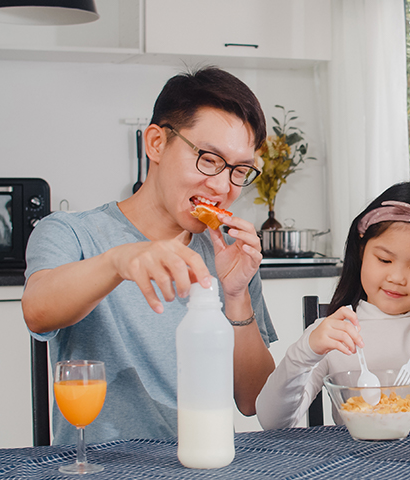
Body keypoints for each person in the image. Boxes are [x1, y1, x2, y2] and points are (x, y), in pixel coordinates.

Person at [22, 66, 277, 445]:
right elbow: (37, 311)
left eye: (239, 170)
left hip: (208, 462)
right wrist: (118, 261)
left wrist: (237, 296)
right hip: (104, 466)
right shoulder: (71, 232)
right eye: (208, 159)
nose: (223, 186)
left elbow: (254, 399)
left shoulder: (228, 253)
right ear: (156, 143)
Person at [255, 181, 410, 428]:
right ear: (361, 249)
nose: (397, 278)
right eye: (384, 259)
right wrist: (304, 352)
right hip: (357, 465)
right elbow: (272, 422)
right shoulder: (335, 334)